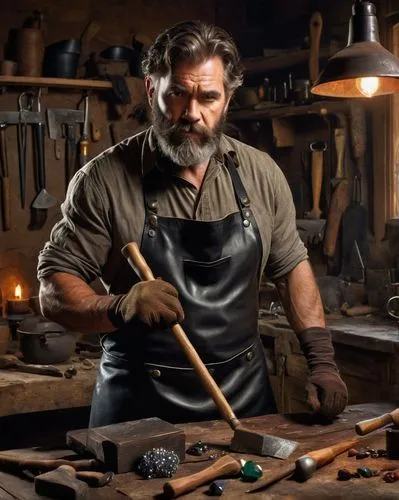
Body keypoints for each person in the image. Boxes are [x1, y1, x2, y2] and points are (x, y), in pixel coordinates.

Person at [37, 20, 348, 427]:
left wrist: (322, 361)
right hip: (137, 407)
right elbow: (53, 291)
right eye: (177, 94)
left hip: (244, 402)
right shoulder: (104, 179)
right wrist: (118, 306)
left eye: (208, 97)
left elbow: (291, 269)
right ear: (152, 90)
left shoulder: (261, 174)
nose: (192, 114)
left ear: (229, 97)